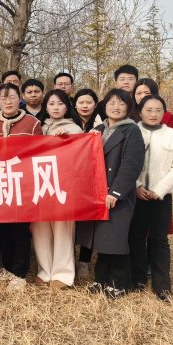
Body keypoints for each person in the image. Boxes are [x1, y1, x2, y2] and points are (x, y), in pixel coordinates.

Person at [77, 89, 145, 299]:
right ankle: (101, 280)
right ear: (104, 106)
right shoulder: (98, 129)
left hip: (117, 195)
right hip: (97, 194)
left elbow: (131, 165)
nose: (116, 107)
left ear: (128, 107)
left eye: (121, 103)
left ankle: (119, 283)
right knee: (102, 239)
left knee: (116, 240)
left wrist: (116, 192)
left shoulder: (132, 131)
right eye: (111, 103)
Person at [0, 83, 42, 291]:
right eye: (3, 98)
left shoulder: (32, 123)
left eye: (11, 97)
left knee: (20, 230)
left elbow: (40, 152)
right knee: (2, 229)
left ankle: (19, 273)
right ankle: (6, 268)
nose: (7, 101)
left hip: (22, 183)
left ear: (20, 99)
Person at [130, 95, 173, 302]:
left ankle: (162, 285)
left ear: (164, 112)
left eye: (158, 110)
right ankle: (137, 280)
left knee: (159, 239)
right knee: (136, 237)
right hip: (137, 195)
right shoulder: (132, 131)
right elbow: (126, 163)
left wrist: (160, 189)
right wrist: (137, 186)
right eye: (149, 110)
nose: (153, 114)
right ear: (140, 112)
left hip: (162, 196)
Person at [32, 90, 83, 290]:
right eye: (51, 104)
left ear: (67, 107)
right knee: (40, 228)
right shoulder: (38, 127)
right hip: (39, 184)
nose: (55, 107)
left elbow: (80, 156)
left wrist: (66, 140)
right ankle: (44, 271)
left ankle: (63, 273)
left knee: (63, 228)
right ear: (45, 106)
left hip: (63, 184)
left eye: (60, 103)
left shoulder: (74, 128)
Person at [72, 88, 103, 279]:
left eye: (89, 102)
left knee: (88, 222)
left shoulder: (103, 124)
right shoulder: (68, 123)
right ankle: (69, 260)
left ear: (95, 104)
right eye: (81, 102)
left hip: (92, 179)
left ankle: (84, 261)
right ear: (75, 105)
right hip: (70, 179)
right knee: (69, 222)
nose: (85, 106)